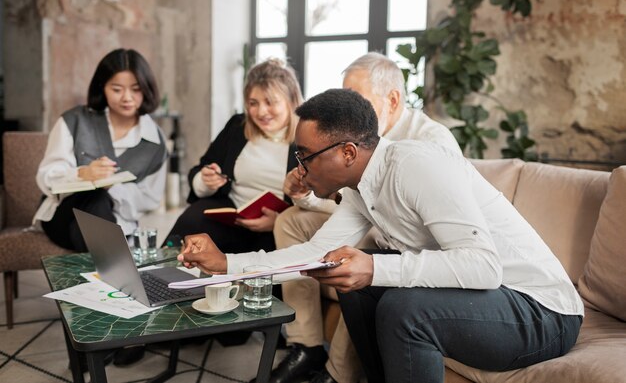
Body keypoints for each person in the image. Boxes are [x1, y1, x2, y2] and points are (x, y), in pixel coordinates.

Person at [178, 88, 583, 383]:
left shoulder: (415, 166)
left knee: (404, 307)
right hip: (492, 303)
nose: (298, 169)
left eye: (305, 155)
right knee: (351, 282)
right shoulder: (362, 187)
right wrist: (227, 264)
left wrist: (374, 266)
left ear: (348, 153)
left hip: (542, 311)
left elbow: (484, 266)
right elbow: (316, 252)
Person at [271, 52, 461, 383]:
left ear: (392, 99)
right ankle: (306, 344)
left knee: (358, 249)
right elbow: (355, 206)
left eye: (357, 99)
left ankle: (338, 373)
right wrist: (308, 193)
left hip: (406, 245)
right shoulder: (352, 135)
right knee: (289, 220)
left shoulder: (432, 142)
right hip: (365, 224)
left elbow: (404, 225)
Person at [34, 48, 168, 253]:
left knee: (98, 204)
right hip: (63, 215)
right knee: (95, 200)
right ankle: (117, 273)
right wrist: (81, 174)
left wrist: (112, 187)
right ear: (102, 87)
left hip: (118, 221)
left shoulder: (155, 142)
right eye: (116, 89)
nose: (127, 98)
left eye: (136, 89)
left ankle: (96, 278)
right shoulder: (75, 120)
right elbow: (46, 176)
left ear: (147, 88)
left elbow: (149, 199)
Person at [165, 58, 302, 254]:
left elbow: (316, 200)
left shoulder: (306, 138)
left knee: (265, 256)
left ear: (291, 101)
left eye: (270, 102)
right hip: (232, 217)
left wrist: (280, 220)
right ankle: (156, 272)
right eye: (253, 103)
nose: (261, 112)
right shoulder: (238, 127)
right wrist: (205, 180)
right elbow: (201, 168)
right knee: (192, 218)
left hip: (275, 226)